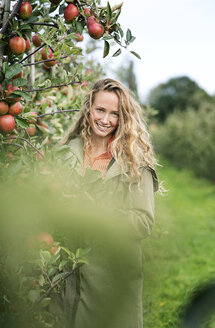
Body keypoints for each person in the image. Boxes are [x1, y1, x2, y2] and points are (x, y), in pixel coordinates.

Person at [59, 78, 159, 328]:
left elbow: (143, 222)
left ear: (123, 118)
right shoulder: (65, 155)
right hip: (65, 280)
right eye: (100, 110)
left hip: (110, 279)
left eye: (114, 114)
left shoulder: (135, 164)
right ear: (88, 109)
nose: (105, 119)